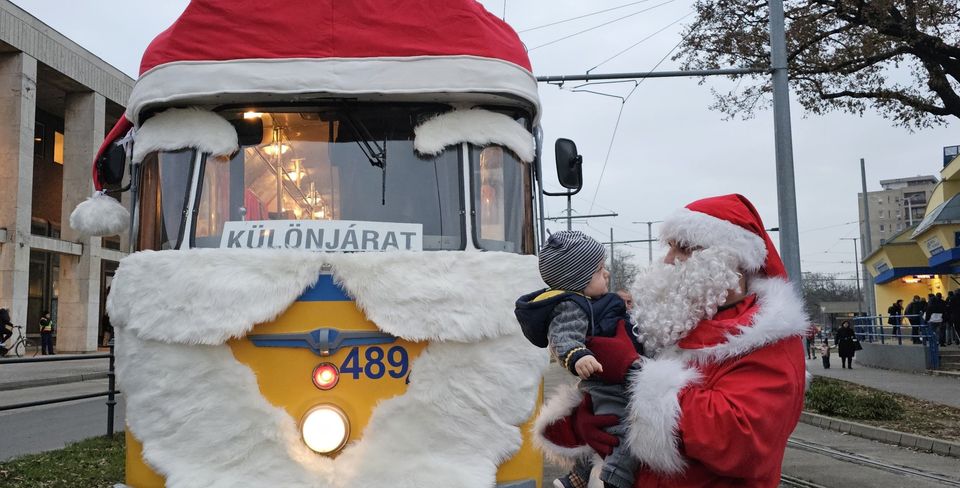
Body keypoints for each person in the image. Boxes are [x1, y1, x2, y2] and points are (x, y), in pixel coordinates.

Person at [534, 194, 807, 487]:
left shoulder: (768, 337)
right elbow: (614, 407)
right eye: (670, 247)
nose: (667, 260)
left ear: (730, 260)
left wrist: (635, 374)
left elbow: (740, 438)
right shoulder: (667, 323)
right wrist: (583, 421)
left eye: (684, 249)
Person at [515, 230, 643, 488]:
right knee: (623, 433)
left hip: (612, 378)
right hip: (606, 384)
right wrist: (578, 356)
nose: (606, 273)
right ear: (578, 279)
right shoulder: (571, 306)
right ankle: (615, 480)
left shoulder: (591, 302)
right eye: (599, 270)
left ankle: (575, 478)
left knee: (605, 431)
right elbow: (564, 336)